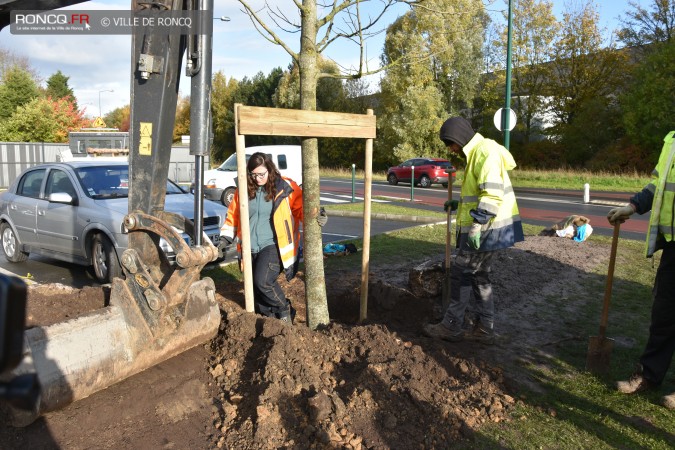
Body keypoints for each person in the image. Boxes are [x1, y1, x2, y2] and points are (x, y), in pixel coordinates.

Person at [423, 116, 524, 343]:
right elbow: (479, 194)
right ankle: (485, 328)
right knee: (480, 275)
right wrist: (460, 206)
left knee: (462, 273)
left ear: (459, 137)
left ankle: (451, 325)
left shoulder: (485, 151)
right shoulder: (477, 152)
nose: (451, 149)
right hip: (493, 226)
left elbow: (492, 193)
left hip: (488, 227)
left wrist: (477, 225)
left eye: (450, 143)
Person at [607, 130, 675, 410]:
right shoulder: (671, 139)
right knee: (664, 314)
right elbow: (659, 183)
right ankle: (649, 375)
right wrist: (632, 206)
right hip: (674, 244)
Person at [219, 152, 327, 323]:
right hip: (250, 246)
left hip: (273, 245)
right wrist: (225, 238)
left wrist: (316, 216)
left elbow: (302, 209)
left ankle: (284, 310)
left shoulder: (285, 187)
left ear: (270, 170)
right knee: (255, 290)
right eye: (253, 175)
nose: (257, 178)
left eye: (261, 174)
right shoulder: (244, 189)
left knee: (263, 282)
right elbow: (233, 216)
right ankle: (270, 322)